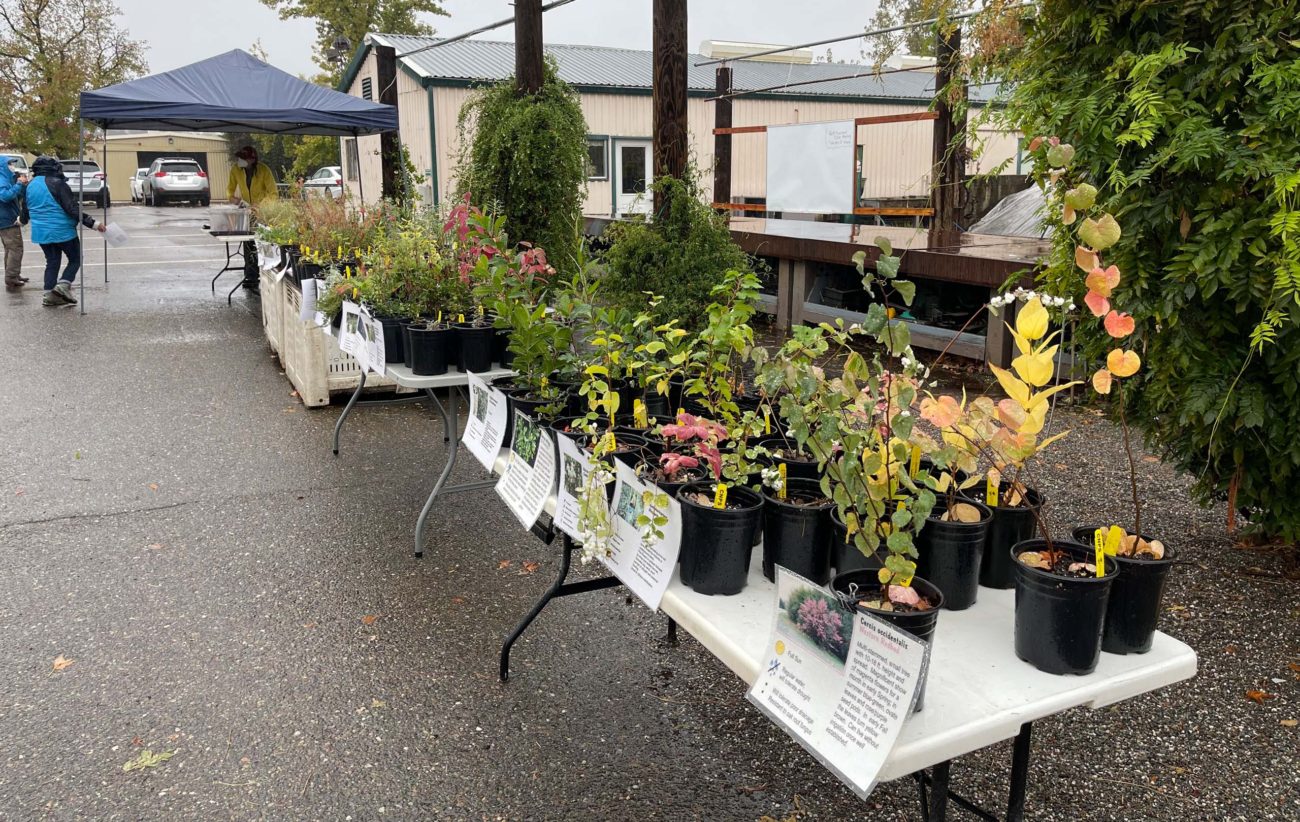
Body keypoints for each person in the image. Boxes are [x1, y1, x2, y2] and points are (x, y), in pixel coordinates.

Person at [25, 156, 105, 306]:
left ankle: (49, 295)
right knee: (75, 259)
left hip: (41, 232)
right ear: (53, 168)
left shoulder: (29, 185)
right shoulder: (58, 184)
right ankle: (62, 286)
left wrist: (20, 221)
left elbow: (25, 210)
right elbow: (71, 208)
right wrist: (93, 223)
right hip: (62, 230)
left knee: (52, 262)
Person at [226, 145, 277, 291]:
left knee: (263, 244)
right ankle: (251, 276)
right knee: (249, 245)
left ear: (252, 159)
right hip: (246, 212)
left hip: (263, 214)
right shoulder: (236, 170)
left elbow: (273, 193)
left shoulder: (263, 170)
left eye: (243, 158)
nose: (240, 160)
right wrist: (231, 198)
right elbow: (229, 188)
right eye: (239, 158)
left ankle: (266, 274)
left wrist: (261, 205)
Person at [1, 156, 29, 289]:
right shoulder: (1, 180)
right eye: (10, 164)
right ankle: (11, 277)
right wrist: (18, 184)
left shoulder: (7, 179)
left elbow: (17, 196)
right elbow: (5, 196)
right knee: (15, 248)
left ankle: (12, 274)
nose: (12, 166)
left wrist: (22, 185)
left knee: (10, 249)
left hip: (9, 217)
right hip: (6, 219)